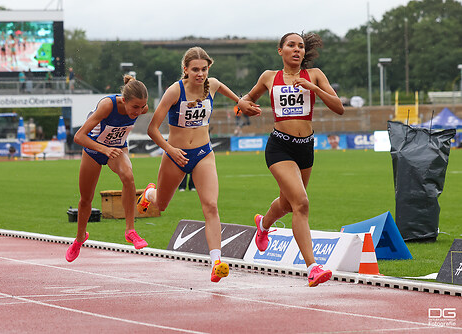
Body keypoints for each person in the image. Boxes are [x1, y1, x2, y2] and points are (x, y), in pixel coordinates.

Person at [238, 32, 344, 287]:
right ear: (280, 50)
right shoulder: (268, 77)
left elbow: (339, 107)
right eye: (291, 45)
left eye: (300, 46)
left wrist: (313, 88)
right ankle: (313, 267)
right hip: (279, 148)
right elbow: (245, 101)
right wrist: (244, 106)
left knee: (287, 204)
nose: (296, 50)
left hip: (305, 147)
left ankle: (263, 225)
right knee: (301, 203)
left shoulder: (315, 75)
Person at [137, 46, 240, 282]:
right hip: (176, 154)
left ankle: (216, 262)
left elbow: (221, 87)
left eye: (204, 69)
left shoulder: (211, 85)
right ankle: (149, 193)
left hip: (204, 153)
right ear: (185, 69)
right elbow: (152, 129)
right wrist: (171, 150)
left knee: (211, 206)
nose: (200, 74)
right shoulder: (175, 91)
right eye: (195, 69)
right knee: (161, 205)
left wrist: (240, 102)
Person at [65, 74, 149, 262]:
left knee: (128, 176)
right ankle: (79, 239)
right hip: (94, 149)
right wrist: (104, 149)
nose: (138, 111)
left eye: (142, 107)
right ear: (124, 100)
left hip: (117, 149)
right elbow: (79, 137)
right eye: (135, 107)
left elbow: (142, 111)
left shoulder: (142, 108)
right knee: (86, 199)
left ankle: (130, 230)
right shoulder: (107, 106)